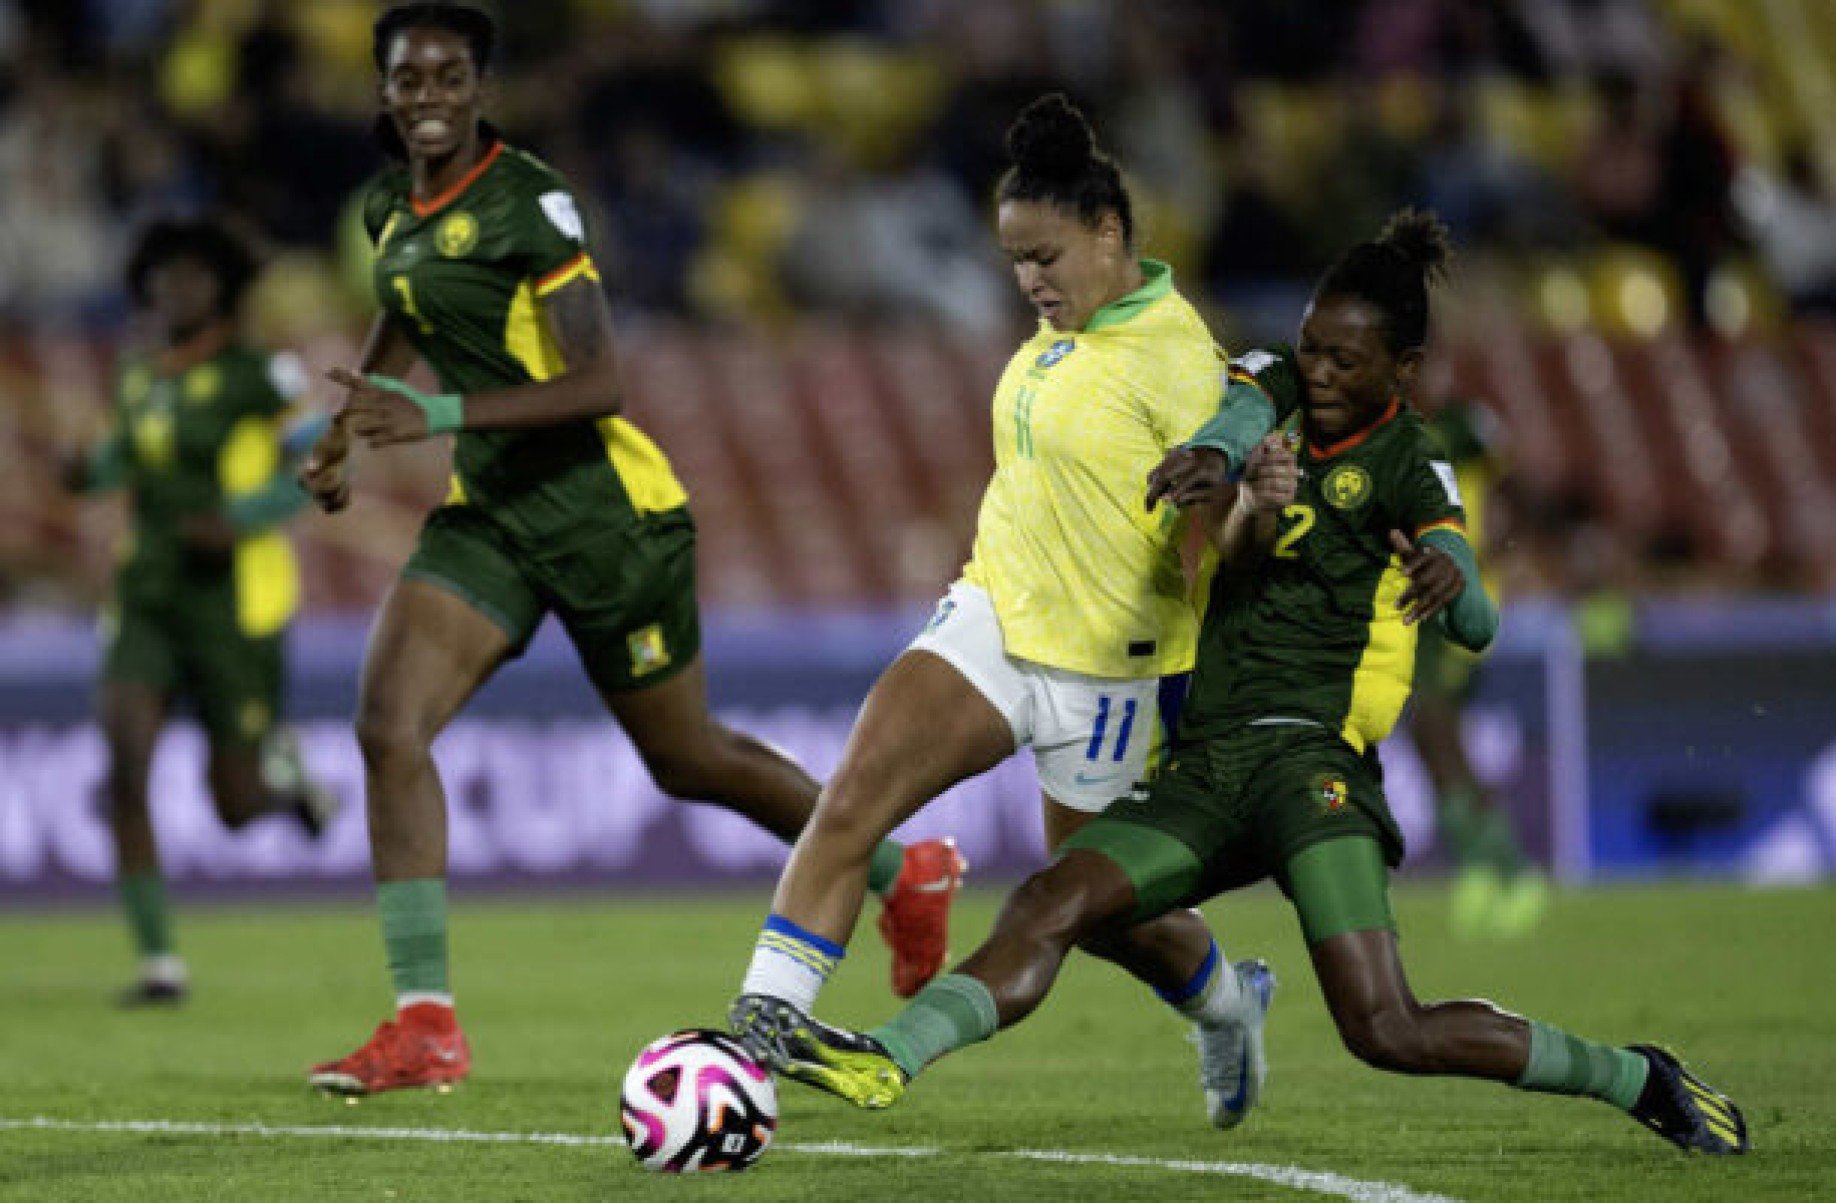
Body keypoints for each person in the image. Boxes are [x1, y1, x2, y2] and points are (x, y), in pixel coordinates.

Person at [754, 211, 1750, 1157]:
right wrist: (1224, 462)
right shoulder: (1270, 384)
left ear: (1402, 371)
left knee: (1385, 1027)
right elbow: (1234, 426)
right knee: (1051, 903)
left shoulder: (1414, 464)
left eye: (1343, 360)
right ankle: (888, 1058)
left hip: (1314, 770)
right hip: (1210, 761)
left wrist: (1456, 583)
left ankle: (1635, 1078)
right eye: (1312, 346)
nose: (1316, 371)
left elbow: (1480, 620)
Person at [298, 2, 952, 1097]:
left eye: (448, 78)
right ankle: (426, 1026)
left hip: (605, 516)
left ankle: (903, 868)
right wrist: (343, 429)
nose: (427, 98)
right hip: (494, 518)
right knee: (387, 723)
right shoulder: (388, 207)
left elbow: (599, 384)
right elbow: (405, 306)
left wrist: (440, 416)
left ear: (480, 89)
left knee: (686, 758)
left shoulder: (531, 205)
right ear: (383, 90)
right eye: (408, 79)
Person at [732, 93, 1280, 1130]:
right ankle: (757, 1035)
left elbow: (1241, 473)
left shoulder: (1172, 354)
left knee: (1112, 918)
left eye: (1046, 256)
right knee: (851, 801)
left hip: (1109, 673)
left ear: (1109, 233)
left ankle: (1226, 1003)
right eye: (1015, 261)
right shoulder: (1062, 330)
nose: (1029, 281)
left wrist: (1244, 496)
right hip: (989, 621)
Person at [61, 214, 335, 1006]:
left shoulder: (263, 375)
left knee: (236, 805)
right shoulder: (140, 374)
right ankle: (159, 963)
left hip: (234, 601)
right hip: (147, 593)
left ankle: (290, 790)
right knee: (124, 766)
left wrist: (241, 516)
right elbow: (119, 459)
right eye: (163, 276)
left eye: (192, 276)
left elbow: (316, 464)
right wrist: (83, 471)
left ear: (224, 289)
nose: (173, 289)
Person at [1411, 393, 1547, 938]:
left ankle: (1507, 870)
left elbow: (1514, 483)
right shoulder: (1388, 434)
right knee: (1431, 741)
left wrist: (1499, 545)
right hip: (1415, 605)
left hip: (1459, 597)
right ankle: (1484, 866)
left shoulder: (1462, 424)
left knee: (1439, 730)